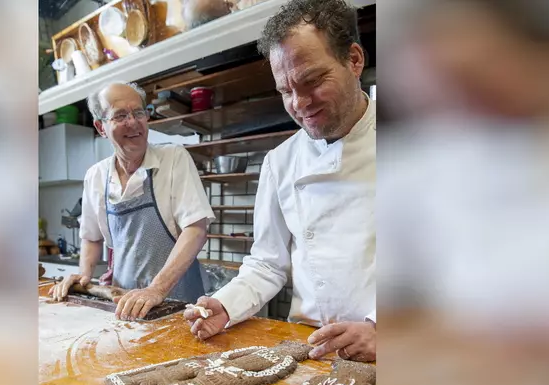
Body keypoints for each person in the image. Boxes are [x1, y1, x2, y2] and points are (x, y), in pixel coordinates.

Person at [184, 0, 376, 362]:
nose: (300, 103)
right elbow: (267, 263)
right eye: (286, 91)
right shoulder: (280, 162)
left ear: (353, 60)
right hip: (308, 347)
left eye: (313, 81)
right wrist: (226, 306)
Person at [51, 82, 214, 320]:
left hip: (178, 302)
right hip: (124, 303)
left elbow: (195, 230)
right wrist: (83, 275)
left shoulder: (173, 158)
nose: (133, 122)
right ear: (101, 127)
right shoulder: (96, 176)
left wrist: (156, 289)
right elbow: (91, 238)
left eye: (139, 112)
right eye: (120, 116)